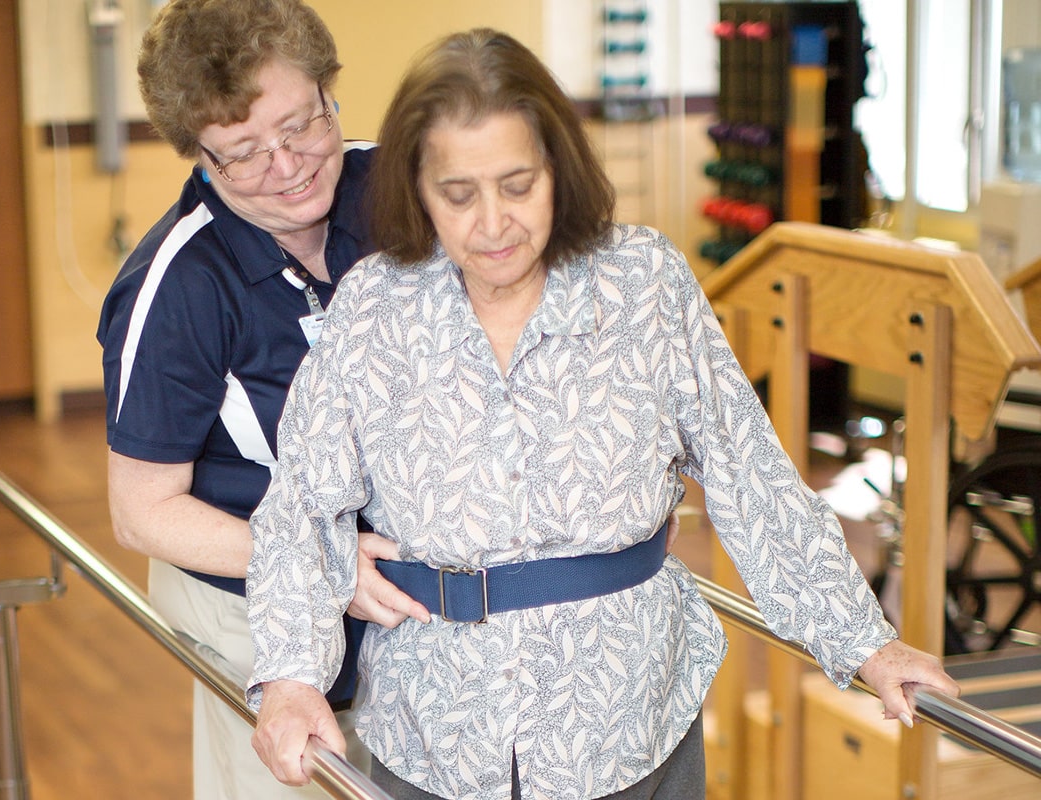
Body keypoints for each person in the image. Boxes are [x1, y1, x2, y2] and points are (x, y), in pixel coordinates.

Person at [243, 27, 961, 800]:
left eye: (517, 185)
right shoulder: (376, 307)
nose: (491, 225)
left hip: (625, 725)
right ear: (417, 187)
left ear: (559, 169)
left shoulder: (643, 284)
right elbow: (302, 511)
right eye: (458, 194)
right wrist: (289, 678)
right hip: (436, 730)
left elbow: (751, 476)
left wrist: (863, 642)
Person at [97, 1, 427, 797]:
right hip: (251, 591)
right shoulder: (177, 286)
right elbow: (142, 511)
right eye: (243, 153)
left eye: (300, 126)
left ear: (330, 94)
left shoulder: (400, 189)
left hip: (403, 584)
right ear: (200, 157)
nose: (288, 167)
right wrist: (315, 563)